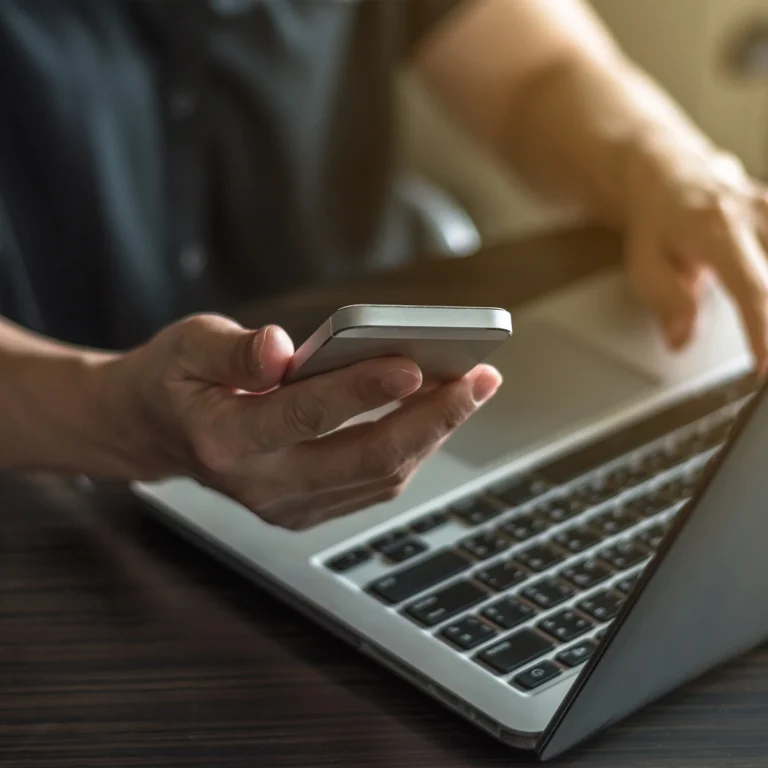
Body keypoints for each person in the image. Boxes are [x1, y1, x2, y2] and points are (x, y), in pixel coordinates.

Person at [1, 0, 767, 531]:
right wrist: (116, 419)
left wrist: (667, 167)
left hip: (387, 434)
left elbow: (535, 70)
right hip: (45, 482)